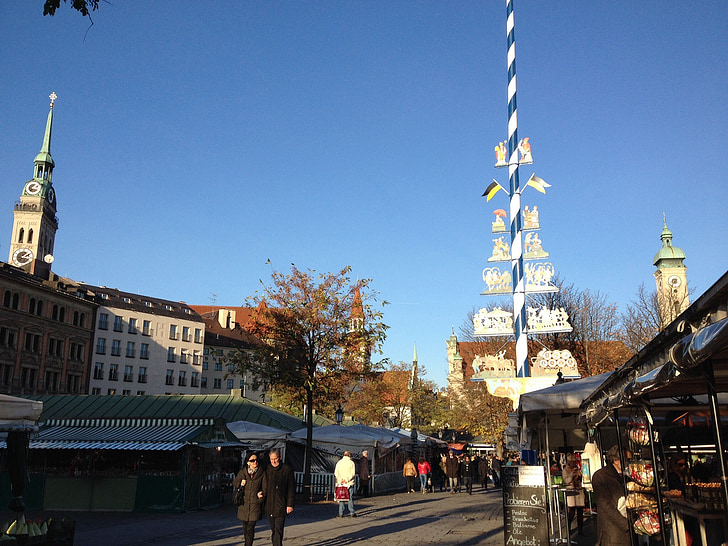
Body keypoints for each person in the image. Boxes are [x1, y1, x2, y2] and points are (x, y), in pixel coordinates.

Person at [592, 445, 629, 546]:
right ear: (616, 460)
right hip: (612, 532)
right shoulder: (600, 476)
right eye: (626, 459)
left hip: (627, 529)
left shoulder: (627, 475)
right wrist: (626, 524)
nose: (628, 462)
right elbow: (605, 505)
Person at [233, 452, 267, 546]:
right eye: (252, 460)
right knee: (245, 528)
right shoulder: (243, 472)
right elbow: (235, 483)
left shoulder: (262, 473)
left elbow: (265, 488)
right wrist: (240, 483)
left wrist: (260, 497)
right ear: (248, 462)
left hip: (254, 506)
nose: (255, 462)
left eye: (256, 460)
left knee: (250, 528)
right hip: (244, 504)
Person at [263, 448, 295, 546]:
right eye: (271, 459)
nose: (273, 461)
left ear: (280, 457)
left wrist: (290, 504)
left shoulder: (287, 469)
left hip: (281, 504)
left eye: (275, 458)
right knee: (273, 529)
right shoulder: (267, 469)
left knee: (278, 530)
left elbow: (291, 488)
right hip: (269, 504)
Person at [562, 453, 584, 535]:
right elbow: (566, 480)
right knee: (571, 512)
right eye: (572, 462)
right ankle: (568, 529)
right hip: (571, 492)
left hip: (579, 492)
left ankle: (580, 530)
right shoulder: (565, 470)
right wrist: (572, 474)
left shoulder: (577, 469)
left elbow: (581, 478)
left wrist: (579, 475)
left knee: (580, 512)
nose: (574, 463)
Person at [334, 450, 357, 517]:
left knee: (342, 497)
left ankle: (340, 513)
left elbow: (336, 473)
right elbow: (352, 474)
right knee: (350, 497)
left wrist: (340, 480)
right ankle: (352, 512)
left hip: (341, 483)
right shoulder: (351, 463)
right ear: (350, 455)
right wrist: (346, 480)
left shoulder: (339, 462)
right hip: (349, 483)